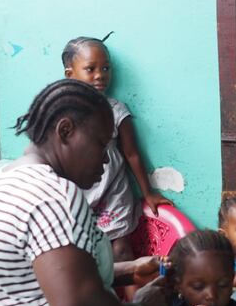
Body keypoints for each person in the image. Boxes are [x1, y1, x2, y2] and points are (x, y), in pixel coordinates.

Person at [0, 79, 169, 306]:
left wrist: (130, 271)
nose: (107, 159)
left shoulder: (13, 178)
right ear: (66, 131)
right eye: (101, 144)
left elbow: (45, 277)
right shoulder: (54, 196)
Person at [62, 35, 171, 264]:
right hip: (81, 194)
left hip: (114, 192)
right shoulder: (62, 114)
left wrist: (148, 192)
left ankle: (134, 300)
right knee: (85, 255)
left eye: (105, 68)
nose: (100, 75)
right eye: (90, 69)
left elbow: (132, 154)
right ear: (70, 74)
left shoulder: (117, 110)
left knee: (122, 251)